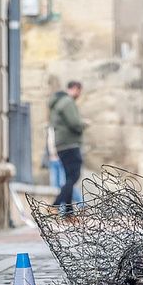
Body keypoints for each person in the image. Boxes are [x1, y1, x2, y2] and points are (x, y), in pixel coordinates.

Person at [49, 81, 86, 216]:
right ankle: (56, 204)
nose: (80, 94)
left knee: (69, 178)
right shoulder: (67, 102)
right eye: (79, 91)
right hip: (70, 144)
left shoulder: (58, 102)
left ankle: (69, 213)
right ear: (75, 89)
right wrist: (83, 125)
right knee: (74, 176)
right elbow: (75, 123)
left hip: (61, 144)